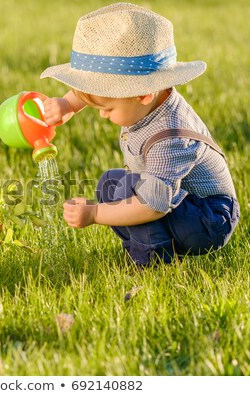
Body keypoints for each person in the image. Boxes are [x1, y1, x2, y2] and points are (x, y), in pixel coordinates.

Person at [40, 3, 240, 266]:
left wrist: (95, 214)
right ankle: (144, 247)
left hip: (208, 219)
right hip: (181, 204)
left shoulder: (171, 136)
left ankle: (150, 261)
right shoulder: (145, 99)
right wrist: (68, 105)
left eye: (107, 108)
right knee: (111, 184)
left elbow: (152, 205)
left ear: (143, 93)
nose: (101, 115)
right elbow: (96, 92)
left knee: (127, 189)